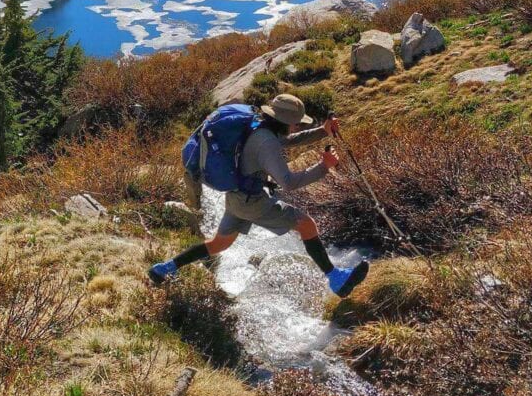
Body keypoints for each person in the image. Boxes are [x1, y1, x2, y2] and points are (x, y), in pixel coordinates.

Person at [149, 93, 369, 297]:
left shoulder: (258, 125)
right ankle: (336, 278)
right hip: (252, 202)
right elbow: (288, 182)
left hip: (236, 197)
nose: (296, 127)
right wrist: (324, 166)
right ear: (283, 122)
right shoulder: (267, 143)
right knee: (306, 224)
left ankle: (166, 267)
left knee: (219, 244)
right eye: (295, 123)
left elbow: (289, 141)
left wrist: (323, 131)